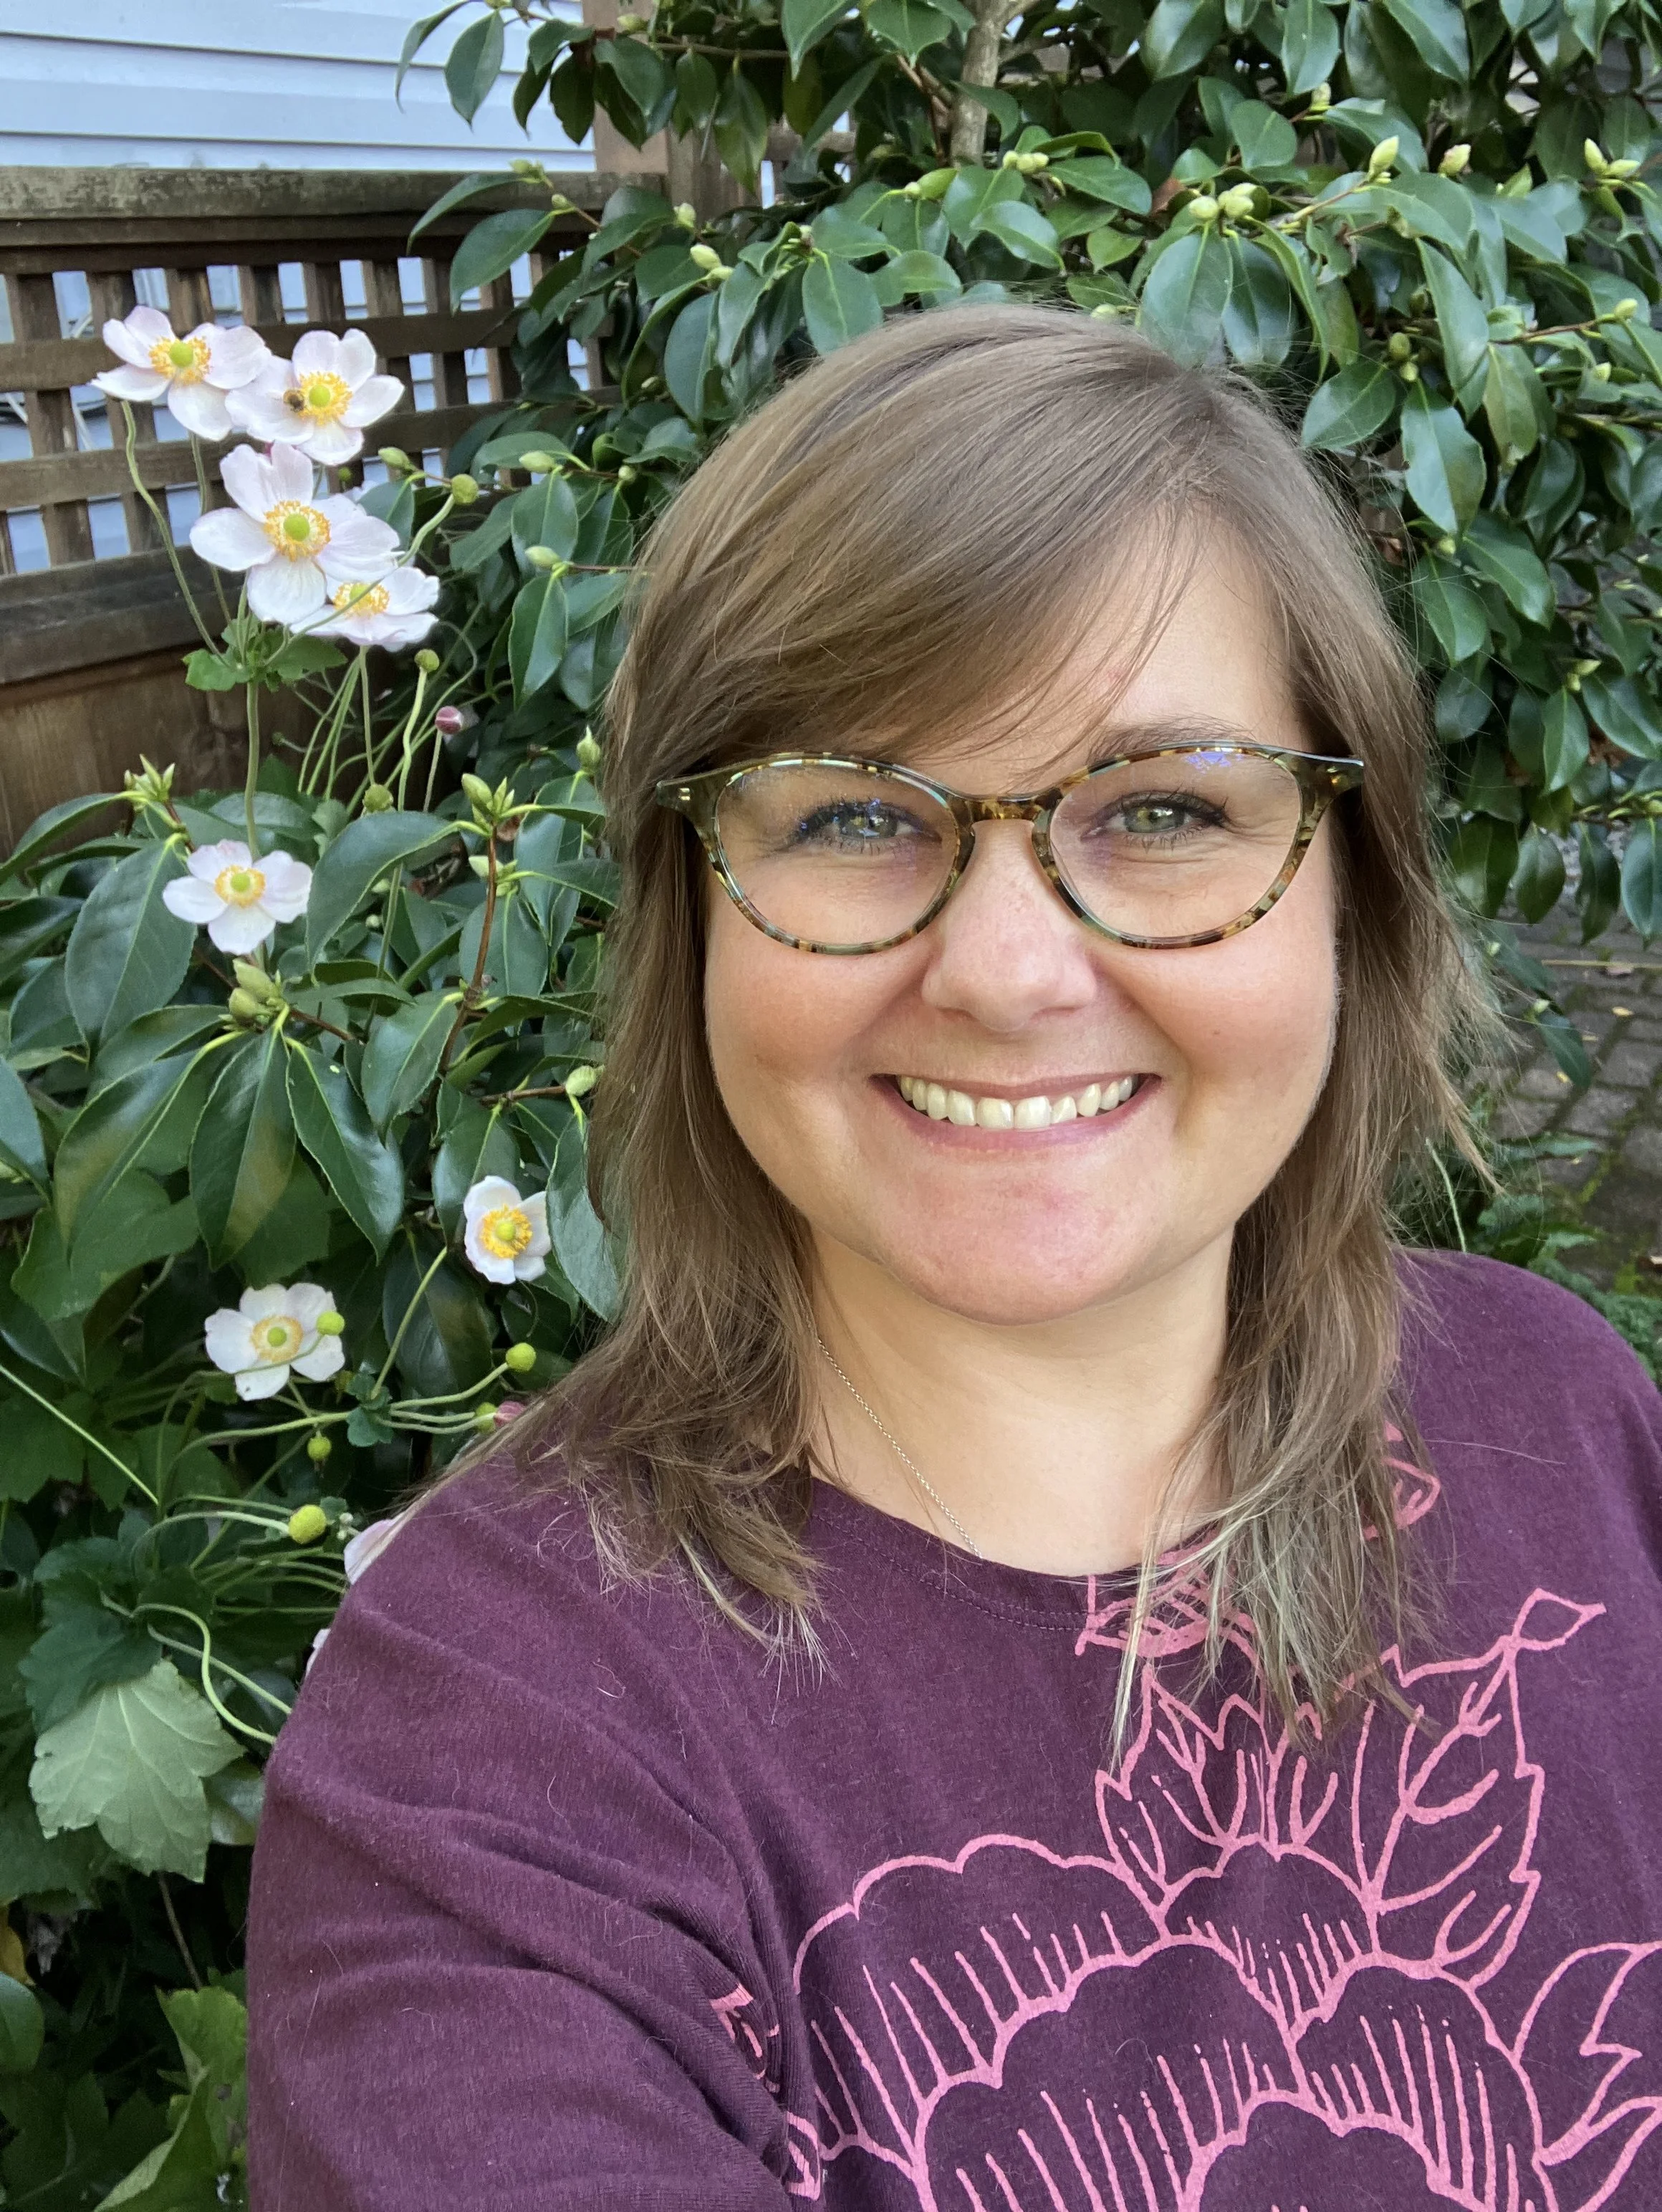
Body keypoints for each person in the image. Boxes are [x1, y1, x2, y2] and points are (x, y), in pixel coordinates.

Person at [248, 306, 1662, 2211]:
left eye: (1166, 810)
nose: (1005, 976)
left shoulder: (1561, 1414)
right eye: (849, 815)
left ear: (1358, 886)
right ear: (688, 920)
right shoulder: (496, 1749)